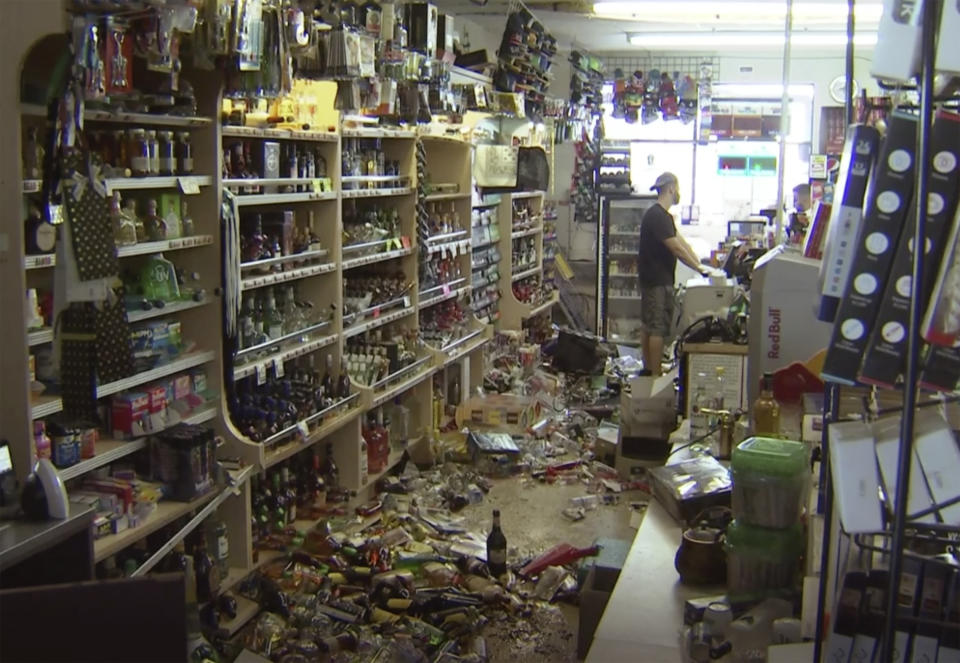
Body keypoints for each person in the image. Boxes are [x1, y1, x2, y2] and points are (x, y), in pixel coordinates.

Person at [638, 172, 709, 376]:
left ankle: (650, 367)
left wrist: (700, 264)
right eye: (677, 189)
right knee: (656, 328)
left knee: (649, 324)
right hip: (657, 281)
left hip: (654, 279)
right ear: (671, 188)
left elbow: (681, 241)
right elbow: (676, 249)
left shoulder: (663, 216)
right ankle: (655, 374)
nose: (678, 193)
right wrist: (699, 269)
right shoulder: (657, 216)